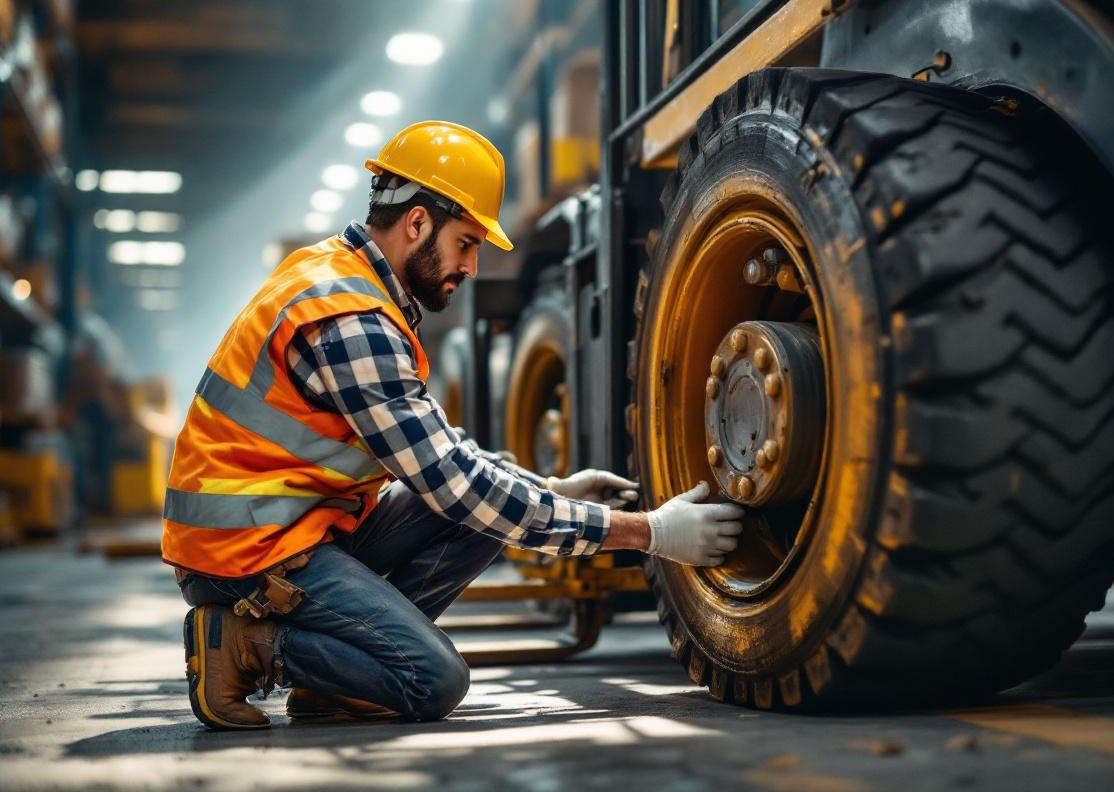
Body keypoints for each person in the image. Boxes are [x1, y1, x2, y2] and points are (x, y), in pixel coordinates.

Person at [164, 121, 744, 730]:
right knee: (431, 678)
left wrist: (549, 490)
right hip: (245, 555)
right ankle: (248, 644)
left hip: (291, 527)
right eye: (466, 243)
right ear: (417, 223)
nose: (471, 267)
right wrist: (648, 533)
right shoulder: (351, 318)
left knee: (492, 495)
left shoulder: (342, 275)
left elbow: (447, 458)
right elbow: (453, 482)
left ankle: (340, 678)